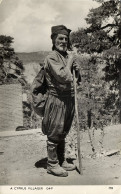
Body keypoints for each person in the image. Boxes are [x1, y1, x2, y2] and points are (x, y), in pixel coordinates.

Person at [42, 25, 81, 177]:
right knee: (55, 131)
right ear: (53, 39)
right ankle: (52, 164)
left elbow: (74, 80)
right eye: (60, 38)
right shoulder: (51, 57)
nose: (64, 41)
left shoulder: (65, 57)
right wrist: (71, 61)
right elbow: (63, 76)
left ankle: (61, 159)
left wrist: (77, 70)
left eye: (66, 39)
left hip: (68, 99)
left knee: (63, 131)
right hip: (57, 99)